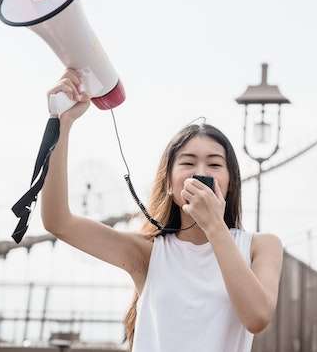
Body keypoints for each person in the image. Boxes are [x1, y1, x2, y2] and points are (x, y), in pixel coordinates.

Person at [40, 69, 284, 352]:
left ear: (230, 184)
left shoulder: (262, 246)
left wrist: (215, 226)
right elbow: (58, 222)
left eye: (215, 165)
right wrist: (61, 122)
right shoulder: (149, 251)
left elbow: (257, 317)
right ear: (169, 183)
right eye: (188, 163)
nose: (200, 173)